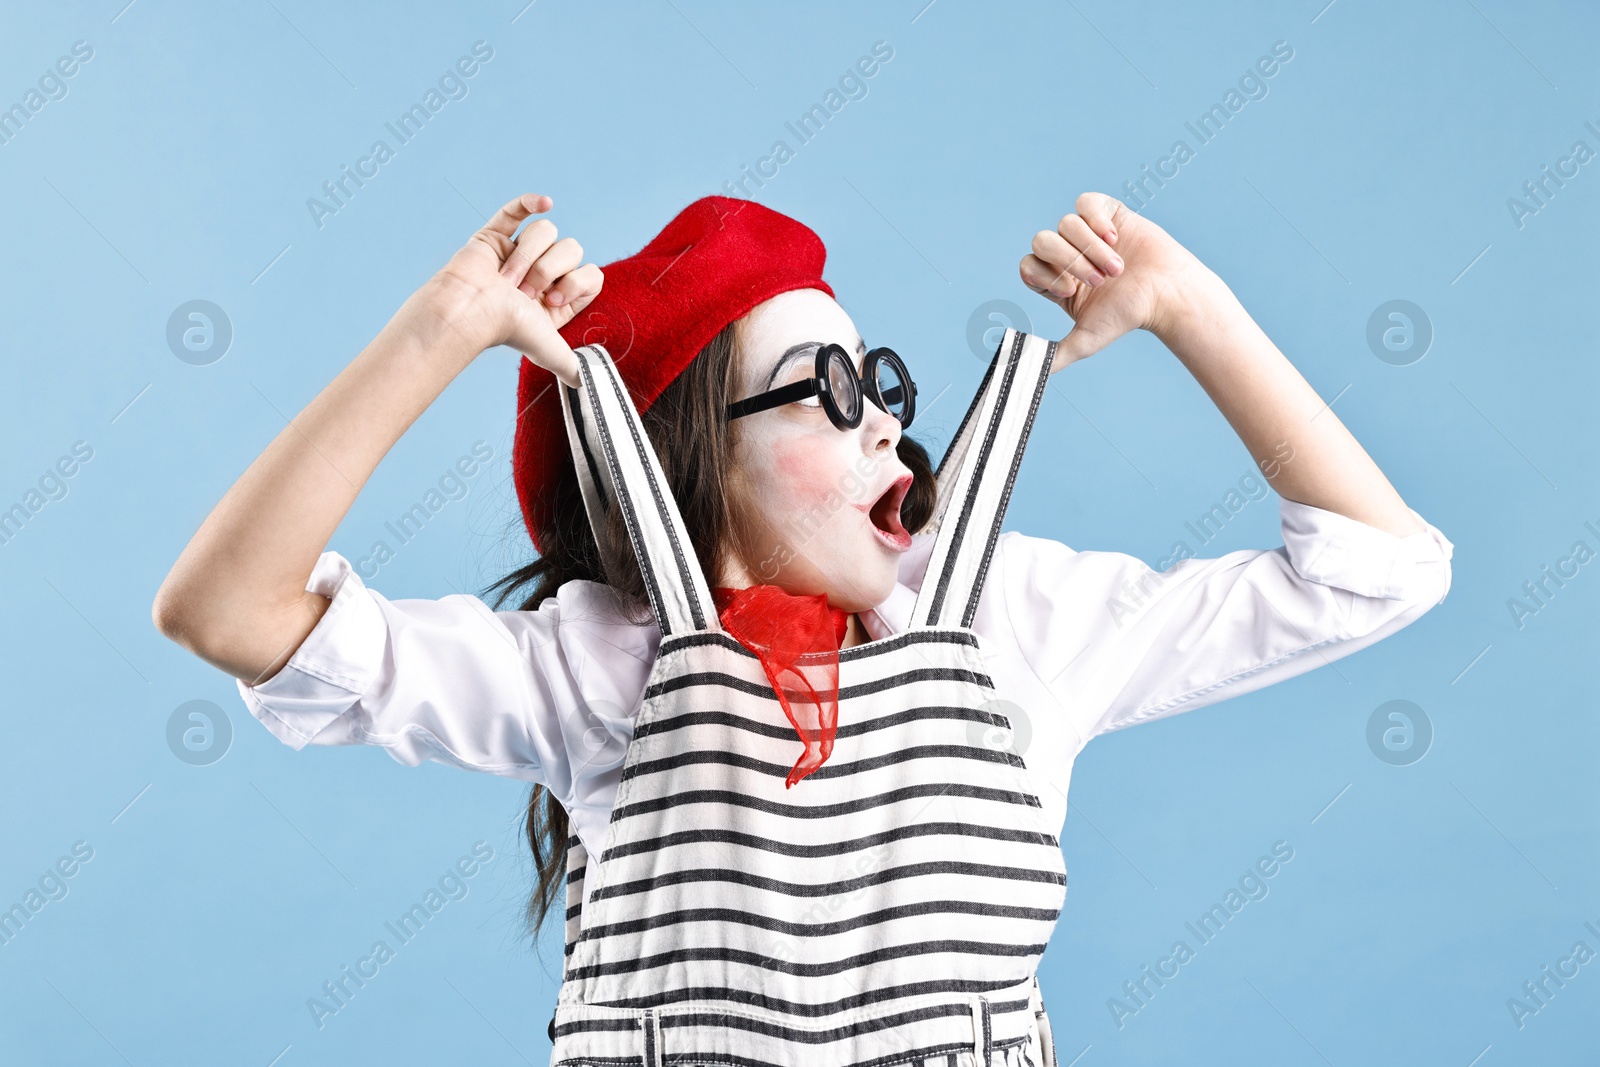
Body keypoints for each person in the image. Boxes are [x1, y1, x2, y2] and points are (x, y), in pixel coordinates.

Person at [153, 191, 1454, 1066]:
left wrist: (1190, 307)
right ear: (684, 462)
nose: (886, 417)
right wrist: (440, 333)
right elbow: (227, 608)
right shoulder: (597, 665)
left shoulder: (1013, 620)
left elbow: (1375, 571)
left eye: (879, 377)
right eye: (828, 391)